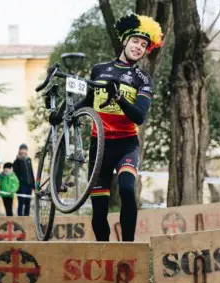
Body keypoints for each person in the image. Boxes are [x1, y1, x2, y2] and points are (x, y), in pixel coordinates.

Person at [51, 14, 162, 241]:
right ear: (124, 41)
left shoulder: (143, 79)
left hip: (126, 145)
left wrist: (119, 97)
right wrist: (63, 114)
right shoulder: (99, 70)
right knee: (99, 212)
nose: (139, 47)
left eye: (143, 45)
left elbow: (139, 116)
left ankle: (129, 248)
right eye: (135, 42)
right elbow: (88, 102)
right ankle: (105, 251)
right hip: (99, 146)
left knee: (127, 189)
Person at [13, 143, 35, 216]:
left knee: (28, 202)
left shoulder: (29, 160)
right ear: (19, 151)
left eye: (25, 149)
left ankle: (27, 216)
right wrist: (17, 186)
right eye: (22, 149)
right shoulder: (17, 161)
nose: (23, 151)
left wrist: (33, 185)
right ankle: (20, 216)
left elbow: (31, 172)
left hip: (29, 185)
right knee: (21, 202)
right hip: (21, 186)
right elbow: (15, 174)